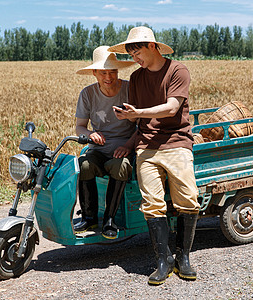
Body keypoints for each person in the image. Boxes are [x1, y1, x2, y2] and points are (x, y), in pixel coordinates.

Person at [108, 26, 201, 285]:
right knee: (152, 204)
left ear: (152, 46)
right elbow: (138, 120)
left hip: (177, 142)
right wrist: (130, 141)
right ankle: (164, 260)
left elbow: (172, 108)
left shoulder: (177, 70)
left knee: (189, 200)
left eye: (137, 52)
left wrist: (137, 113)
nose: (134, 58)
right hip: (146, 146)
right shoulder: (137, 78)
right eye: (131, 53)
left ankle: (184, 258)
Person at [73, 46, 136, 239]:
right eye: (103, 73)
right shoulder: (88, 94)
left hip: (123, 148)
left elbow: (143, 125)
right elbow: (80, 127)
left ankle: (110, 220)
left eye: (112, 72)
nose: (108, 77)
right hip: (98, 150)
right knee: (83, 165)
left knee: (121, 167)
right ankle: (89, 217)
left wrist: (127, 146)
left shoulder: (129, 90)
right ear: (95, 73)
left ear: (118, 71)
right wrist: (91, 134)